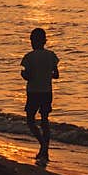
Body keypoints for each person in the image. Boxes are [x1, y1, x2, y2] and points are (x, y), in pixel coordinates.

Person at [21, 28, 60, 162]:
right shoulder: (51, 56)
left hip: (33, 92)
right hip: (47, 92)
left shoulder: (29, 57)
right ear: (45, 41)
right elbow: (56, 75)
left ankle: (43, 145)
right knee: (44, 120)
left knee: (30, 120)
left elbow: (27, 76)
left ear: (32, 41)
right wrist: (46, 74)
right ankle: (45, 150)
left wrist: (24, 75)